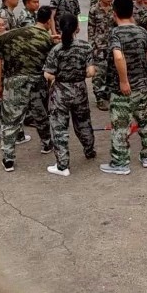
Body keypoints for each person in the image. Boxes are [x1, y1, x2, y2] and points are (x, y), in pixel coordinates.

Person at [0, 7, 56, 171]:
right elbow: (51, 66)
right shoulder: (46, 39)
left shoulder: (5, 37)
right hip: (37, 81)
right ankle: (47, 143)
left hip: (14, 82)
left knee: (11, 120)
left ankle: (8, 158)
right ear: (48, 21)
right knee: (41, 114)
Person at [101, 0, 147, 175]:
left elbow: (118, 56)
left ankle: (120, 163)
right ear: (132, 12)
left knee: (120, 127)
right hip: (141, 86)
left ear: (114, 13)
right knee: (144, 123)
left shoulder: (115, 33)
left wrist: (124, 80)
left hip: (123, 90)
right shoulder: (142, 31)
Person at [43, 14, 97, 176]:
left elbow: (48, 74)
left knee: (59, 127)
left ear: (60, 28)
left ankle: (62, 165)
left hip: (60, 92)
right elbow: (91, 72)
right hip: (80, 90)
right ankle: (89, 150)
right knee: (83, 122)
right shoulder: (86, 47)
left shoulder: (56, 50)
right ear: (77, 28)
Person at [89, 0, 117, 111]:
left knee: (111, 72)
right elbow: (91, 29)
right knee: (99, 73)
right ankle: (99, 98)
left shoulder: (114, 8)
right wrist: (92, 47)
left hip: (112, 46)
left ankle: (107, 95)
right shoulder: (94, 9)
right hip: (99, 47)